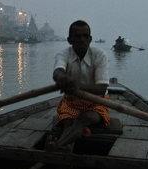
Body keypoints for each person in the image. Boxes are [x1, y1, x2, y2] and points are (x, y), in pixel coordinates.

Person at [46, 20, 110, 153]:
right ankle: (66, 149)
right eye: (77, 36)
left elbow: (102, 88)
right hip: (71, 103)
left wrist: (76, 87)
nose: (82, 40)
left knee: (83, 119)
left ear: (90, 39)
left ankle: (56, 147)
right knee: (69, 123)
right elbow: (58, 71)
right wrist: (62, 78)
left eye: (85, 36)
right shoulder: (64, 54)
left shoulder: (99, 55)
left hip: (95, 104)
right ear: (70, 40)